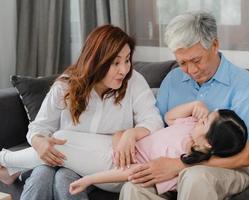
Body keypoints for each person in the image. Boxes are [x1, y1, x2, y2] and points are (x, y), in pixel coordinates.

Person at [0, 24, 164, 200]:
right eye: (116, 62)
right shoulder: (66, 85)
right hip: (65, 163)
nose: (124, 69)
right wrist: (39, 143)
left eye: (127, 60)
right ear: (96, 60)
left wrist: (130, 134)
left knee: (63, 138)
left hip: (112, 164)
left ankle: (6, 160)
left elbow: (154, 121)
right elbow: (39, 127)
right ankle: (10, 165)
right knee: (45, 176)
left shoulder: (134, 82)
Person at [119, 12, 249, 200]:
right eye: (182, 63)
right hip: (175, 165)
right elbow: (156, 127)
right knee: (133, 188)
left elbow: (244, 157)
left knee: (194, 176)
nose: (191, 70)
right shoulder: (172, 80)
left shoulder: (244, 84)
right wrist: (129, 135)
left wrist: (179, 165)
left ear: (214, 45)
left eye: (196, 60)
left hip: (232, 168)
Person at [68, 101, 248, 196]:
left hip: (119, 162)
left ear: (208, 143)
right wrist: (194, 105)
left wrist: (89, 180)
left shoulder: (184, 158)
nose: (202, 117)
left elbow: (131, 172)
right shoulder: (192, 125)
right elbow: (169, 117)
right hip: (119, 143)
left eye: (205, 121)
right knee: (61, 144)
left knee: (61, 143)